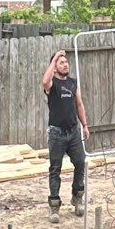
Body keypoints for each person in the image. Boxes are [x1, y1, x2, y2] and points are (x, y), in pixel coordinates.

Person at [41, 49, 87, 219]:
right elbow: (44, 81)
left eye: (66, 62)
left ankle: (77, 197)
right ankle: (54, 207)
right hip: (56, 133)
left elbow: (79, 104)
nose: (65, 64)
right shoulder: (51, 84)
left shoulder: (73, 83)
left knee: (80, 162)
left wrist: (85, 125)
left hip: (73, 132)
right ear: (54, 67)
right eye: (61, 62)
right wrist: (54, 59)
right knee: (55, 169)